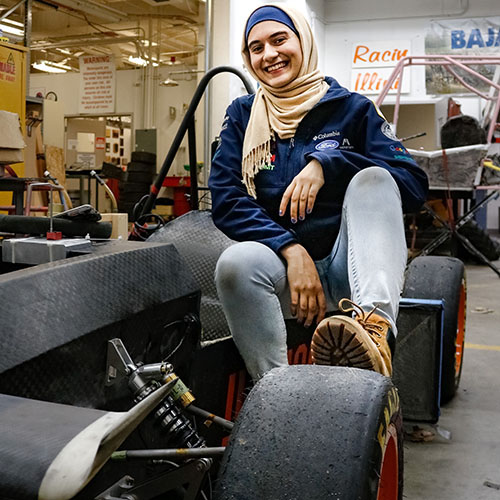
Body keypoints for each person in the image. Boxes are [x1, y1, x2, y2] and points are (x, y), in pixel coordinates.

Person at [208, 3, 428, 381]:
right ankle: (275, 390)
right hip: (285, 272)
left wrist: (329, 165)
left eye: (279, 40)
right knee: (234, 264)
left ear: (304, 42)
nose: (270, 55)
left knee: (373, 179)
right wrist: (290, 250)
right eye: (256, 48)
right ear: (248, 58)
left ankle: (372, 332)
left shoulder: (352, 109)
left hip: (351, 268)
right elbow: (227, 200)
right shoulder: (242, 116)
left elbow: (411, 184)